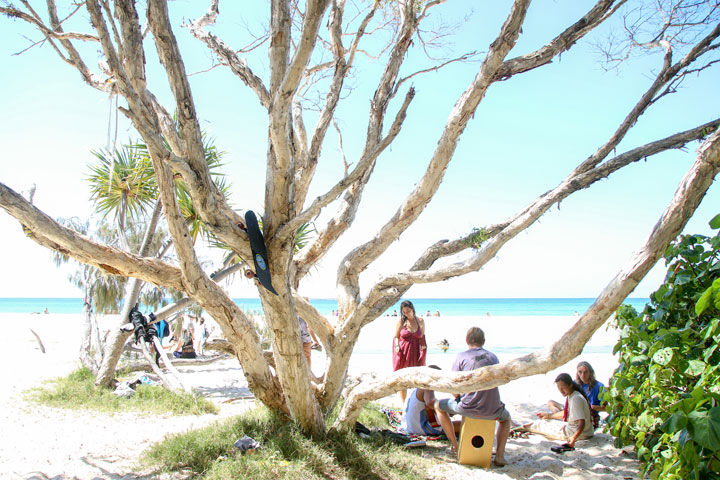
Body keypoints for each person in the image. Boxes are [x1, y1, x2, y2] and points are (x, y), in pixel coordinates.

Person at [434, 327, 511, 466]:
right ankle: (499, 455)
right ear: (484, 341)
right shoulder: (494, 357)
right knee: (506, 419)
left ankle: (454, 445)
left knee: (438, 406)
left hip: (467, 407)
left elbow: (454, 388)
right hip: (493, 409)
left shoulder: (461, 357)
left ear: (466, 340)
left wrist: (458, 396)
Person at [524, 373, 594, 447]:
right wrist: (548, 416)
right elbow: (566, 413)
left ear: (570, 385)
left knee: (538, 425)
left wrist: (573, 438)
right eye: (559, 388)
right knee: (547, 422)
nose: (561, 390)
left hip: (579, 434)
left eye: (563, 387)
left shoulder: (575, 399)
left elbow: (581, 422)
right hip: (585, 432)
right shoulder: (574, 395)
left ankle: (518, 429)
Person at [402, 365, 460, 436]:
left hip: (408, 426)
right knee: (462, 425)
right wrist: (449, 408)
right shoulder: (427, 386)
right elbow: (430, 403)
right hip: (420, 429)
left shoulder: (415, 388)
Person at [392, 300, 427, 404]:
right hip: (403, 353)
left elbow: (422, 336)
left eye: (408, 311)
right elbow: (396, 337)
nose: (406, 313)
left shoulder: (420, 321)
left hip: (416, 353)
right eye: (404, 312)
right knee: (402, 379)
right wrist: (397, 346)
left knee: (418, 378)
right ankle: (403, 404)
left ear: (412, 309)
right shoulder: (401, 322)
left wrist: (423, 346)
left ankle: (416, 403)